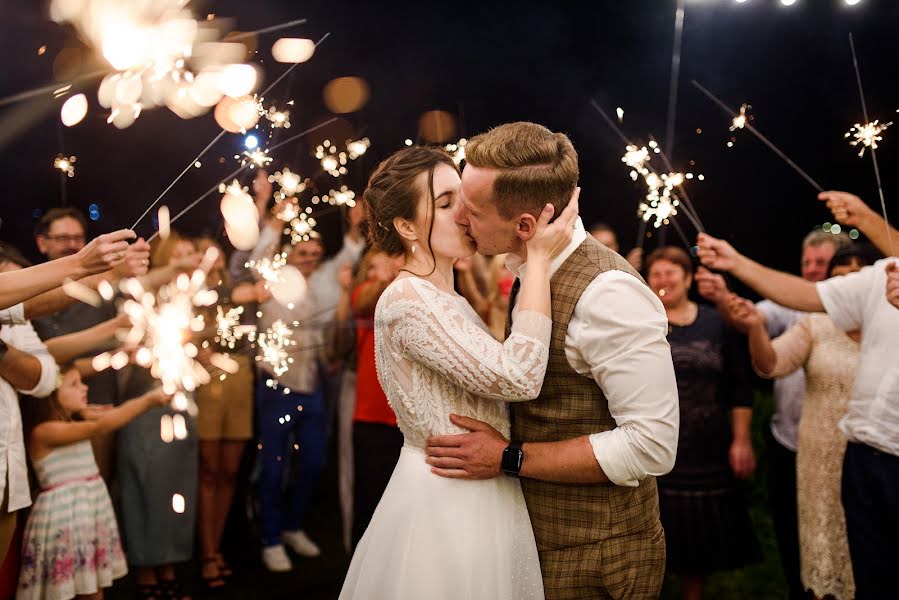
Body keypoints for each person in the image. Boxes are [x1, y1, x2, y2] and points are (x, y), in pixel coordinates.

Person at [430, 121, 679, 600]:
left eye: (473, 208)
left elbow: (652, 446)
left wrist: (507, 456)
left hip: (596, 557)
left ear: (526, 226)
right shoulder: (532, 269)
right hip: (541, 540)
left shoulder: (609, 295)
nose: (459, 217)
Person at [340, 144, 578, 599]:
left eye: (464, 199)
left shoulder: (449, 300)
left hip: (480, 487)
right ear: (406, 226)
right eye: (446, 203)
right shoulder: (408, 302)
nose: (465, 213)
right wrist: (540, 259)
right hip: (446, 502)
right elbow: (520, 377)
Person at [696, 191, 899, 599]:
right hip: (860, 453)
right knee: (868, 575)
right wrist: (735, 262)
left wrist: (870, 219)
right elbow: (802, 298)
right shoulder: (879, 276)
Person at [727, 244, 877, 600]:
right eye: (839, 282)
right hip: (819, 462)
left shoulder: (891, 326)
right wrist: (755, 330)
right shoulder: (816, 323)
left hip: (875, 460)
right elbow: (771, 364)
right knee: (824, 550)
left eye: (857, 281)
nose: (848, 290)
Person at [248, 206, 361, 571]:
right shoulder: (273, 279)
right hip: (275, 384)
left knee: (313, 462)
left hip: (312, 384)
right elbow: (259, 254)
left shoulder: (323, 282)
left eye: (315, 253)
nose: (310, 260)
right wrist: (277, 219)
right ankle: (271, 538)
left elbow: (347, 257)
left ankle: (294, 525)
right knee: (274, 465)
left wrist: (357, 226)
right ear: (288, 254)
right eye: (303, 253)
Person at [646, 246, 760, 599]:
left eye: (671, 272)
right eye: (656, 274)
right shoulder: (642, 324)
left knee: (699, 541)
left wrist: (741, 440)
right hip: (657, 445)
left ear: (689, 277)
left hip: (708, 445)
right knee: (656, 534)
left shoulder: (715, 323)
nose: (664, 280)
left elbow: (740, 384)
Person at [17, 367, 169, 600]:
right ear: (49, 393)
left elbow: (108, 415)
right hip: (64, 520)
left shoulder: (76, 417)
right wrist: (147, 401)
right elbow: (102, 426)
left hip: (86, 513)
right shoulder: (45, 431)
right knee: (64, 590)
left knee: (92, 586)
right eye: (74, 384)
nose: (85, 388)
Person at [116, 233, 200, 600]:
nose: (188, 262)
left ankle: (171, 562)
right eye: (178, 257)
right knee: (145, 483)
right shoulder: (139, 297)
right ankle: (146, 567)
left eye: (190, 255)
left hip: (182, 402)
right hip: (143, 403)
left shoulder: (193, 301)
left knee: (178, 484)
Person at [193, 235, 270, 590]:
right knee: (209, 470)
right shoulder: (191, 293)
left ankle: (218, 546)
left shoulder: (234, 286)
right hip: (207, 382)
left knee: (229, 470)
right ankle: (206, 552)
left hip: (241, 376)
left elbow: (249, 282)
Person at [348, 249, 404, 548]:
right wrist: (388, 276)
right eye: (373, 264)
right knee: (369, 501)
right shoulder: (366, 292)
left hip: (406, 416)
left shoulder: (409, 291)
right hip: (371, 415)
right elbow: (363, 301)